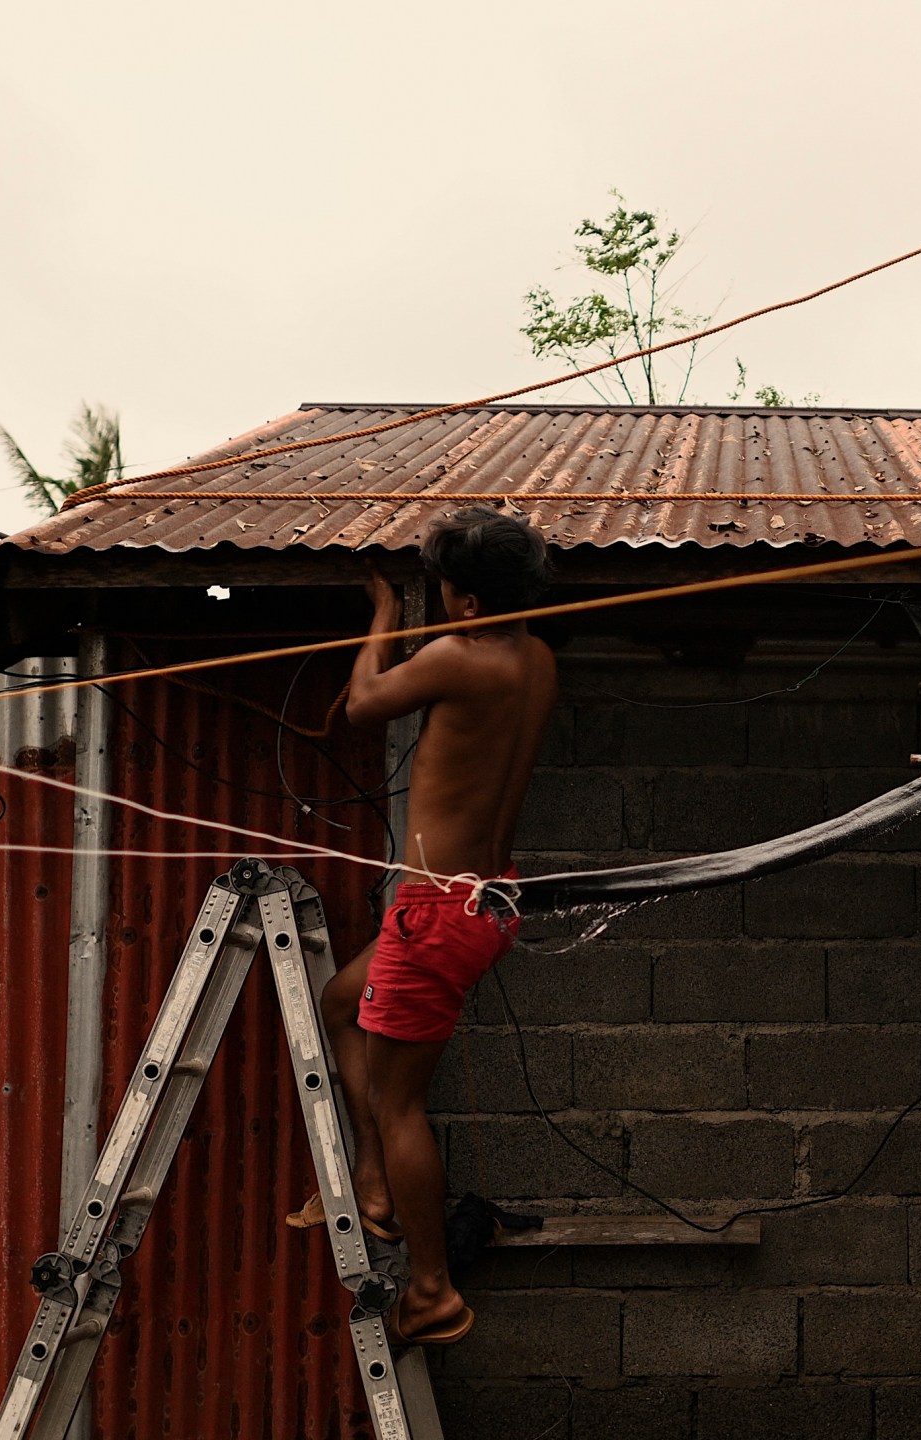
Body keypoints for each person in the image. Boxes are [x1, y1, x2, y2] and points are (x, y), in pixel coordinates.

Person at [288, 506, 557, 1347]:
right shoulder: (538, 657)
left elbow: (365, 703)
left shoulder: (459, 655)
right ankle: (371, 1185)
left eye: (444, 593)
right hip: (483, 902)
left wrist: (382, 617)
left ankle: (433, 1292)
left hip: (436, 912)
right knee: (341, 1004)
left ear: (469, 604)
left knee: (399, 1104)